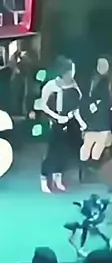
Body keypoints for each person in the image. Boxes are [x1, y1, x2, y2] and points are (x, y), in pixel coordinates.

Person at [38, 56, 87, 193]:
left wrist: (81, 123)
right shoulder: (51, 85)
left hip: (70, 122)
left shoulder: (74, 85)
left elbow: (76, 106)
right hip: (54, 123)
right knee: (52, 153)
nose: (73, 73)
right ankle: (44, 179)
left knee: (65, 152)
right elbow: (43, 105)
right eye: (71, 70)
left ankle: (57, 179)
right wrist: (57, 117)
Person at [80, 56, 112, 174]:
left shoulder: (108, 81)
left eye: (104, 64)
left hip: (105, 118)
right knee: (89, 143)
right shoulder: (92, 80)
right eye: (99, 64)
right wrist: (90, 106)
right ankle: (86, 167)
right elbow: (85, 97)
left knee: (102, 143)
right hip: (92, 118)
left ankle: (96, 165)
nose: (101, 67)